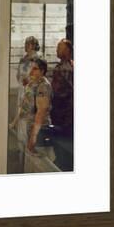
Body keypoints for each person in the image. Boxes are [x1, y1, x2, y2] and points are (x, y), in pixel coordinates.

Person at [12, 58, 53, 172]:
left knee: (37, 167)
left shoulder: (43, 86)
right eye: (31, 68)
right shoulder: (32, 83)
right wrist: (15, 122)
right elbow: (24, 105)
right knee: (27, 162)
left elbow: (41, 112)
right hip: (27, 128)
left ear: (43, 71)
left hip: (39, 133)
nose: (31, 72)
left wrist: (33, 138)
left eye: (35, 69)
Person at [50, 38, 74, 171]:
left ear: (67, 51)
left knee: (61, 142)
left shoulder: (64, 69)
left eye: (60, 47)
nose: (56, 49)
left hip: (63, 113)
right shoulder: (67, 66)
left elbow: (60, 91)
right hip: (63, 112)